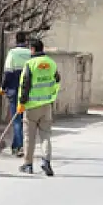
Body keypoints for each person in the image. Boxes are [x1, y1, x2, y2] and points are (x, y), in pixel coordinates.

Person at [18, 39, 61, 176]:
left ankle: (28, 164)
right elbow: (57, 80)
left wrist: (21, 103)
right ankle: (46, 161)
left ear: (32, 49)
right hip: (46, 105)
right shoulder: (51, 63)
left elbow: (25, 84)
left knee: (29, 137)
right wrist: (52, 96)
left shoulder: (30, 64)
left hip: (31, 106)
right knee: (45, 135)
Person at [0, 30, 31, 156]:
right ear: (25, 41)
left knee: (16, 120)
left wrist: (3, 87)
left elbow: (8, 73)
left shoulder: (12, 53)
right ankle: (16, 145)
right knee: (24, 120)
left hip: (14, 90)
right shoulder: (30, 54)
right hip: (28, 92)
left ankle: (19, 146)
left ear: (16, 41)